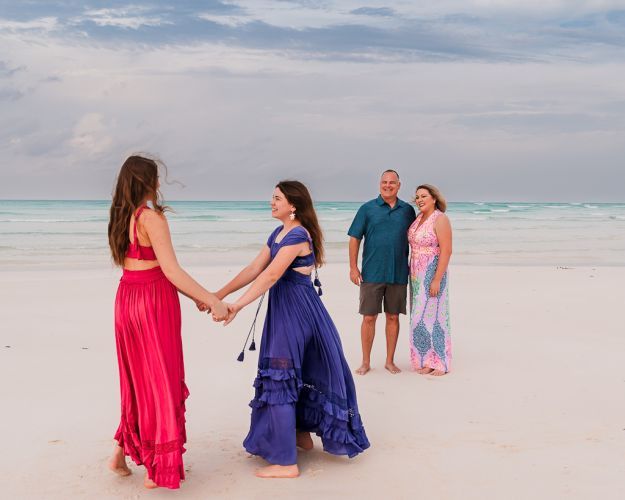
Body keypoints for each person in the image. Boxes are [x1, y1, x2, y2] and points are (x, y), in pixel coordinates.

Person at [212, 180, 369, 478]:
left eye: (277, 198)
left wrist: (238, 305)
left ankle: (286, 463)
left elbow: (272, 275)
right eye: (272, 197)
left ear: (293, 205)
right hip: (287, 310)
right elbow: (254, 269)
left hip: (296, 312)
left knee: (281, 374)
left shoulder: (298, 235)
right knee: (297, 371)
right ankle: (300, 437)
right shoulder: (278, 233)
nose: (271, 202)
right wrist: (218, 295)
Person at [107, 155, 227, 489]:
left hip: (127, 300)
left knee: (137, 382)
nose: (159, 183)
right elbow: (171, 271)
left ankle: (119, 454)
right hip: (153, 303)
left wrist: (199, 297)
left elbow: (153, 268)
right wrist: (213, 300)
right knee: (160, 381)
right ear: (147, 182)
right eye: (156, 178)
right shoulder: (151, 218)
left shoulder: (121, 216)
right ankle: (155, 467)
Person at [347, 170, 416, 375]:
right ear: (379, 184)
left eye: (392, 182)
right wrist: (353, 267)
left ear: (399, 185)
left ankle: (389, 361)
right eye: (384, 182)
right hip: (372, 273)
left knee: (393, 317)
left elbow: (417, 237)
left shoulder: (408, 211)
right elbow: (354, 238)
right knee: (369, 318)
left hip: (398, 272)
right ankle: (365, 362)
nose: (388, 185)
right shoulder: (367, 209)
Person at [407, 184, 452, 376]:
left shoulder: (440, 218)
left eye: (424, 196)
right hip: (415, 275)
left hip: (432, 273)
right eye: (417, 197)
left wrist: (436, 279)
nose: (419, 200)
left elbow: (446, 250)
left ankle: (440, 362)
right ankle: (425, 359)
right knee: (418, 317)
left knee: (434, 317)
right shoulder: (418, 218)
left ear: (434, 198)